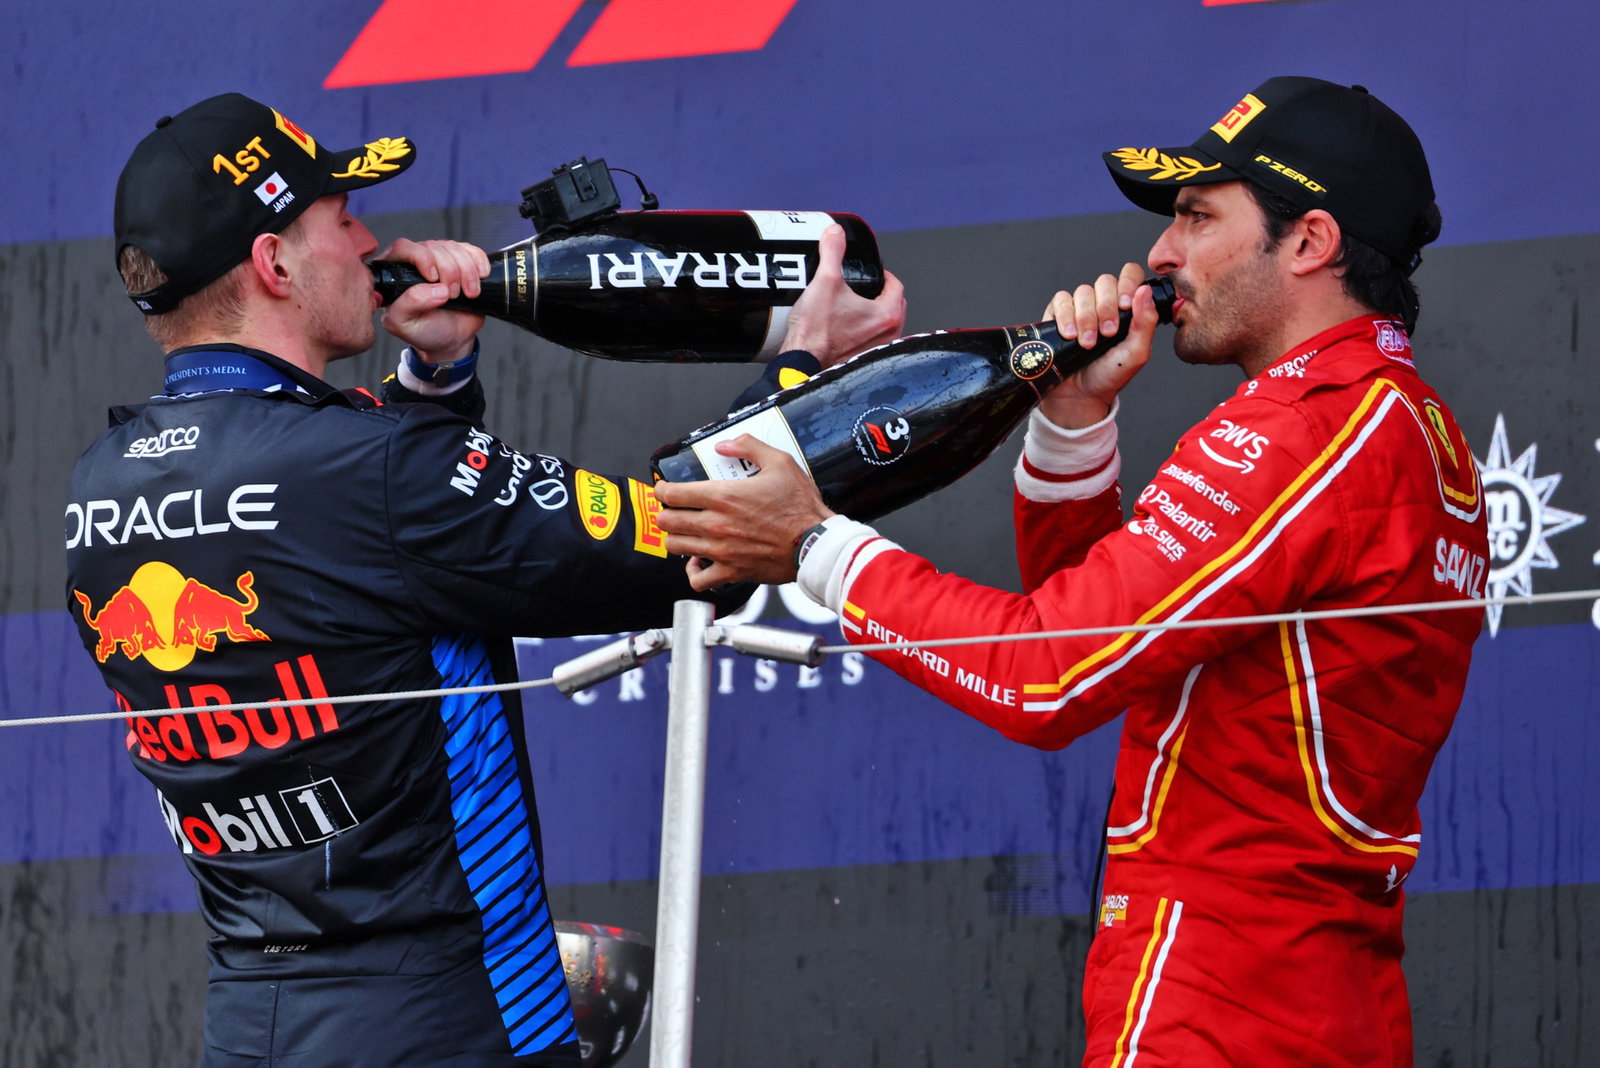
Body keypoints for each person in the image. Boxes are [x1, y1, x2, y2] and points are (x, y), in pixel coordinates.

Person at [654, 76, 1489, 1066]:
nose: (1160, 255)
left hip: (1222, 999)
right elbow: (1111, 635)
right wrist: (1072, 424)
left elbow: (1044, 676)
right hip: (1317, 991)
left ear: (1308, 242)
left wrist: (811, 544)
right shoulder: (1402, 420)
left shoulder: (1302, 431)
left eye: (1195, 217)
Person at [65, 93, 902, 1067]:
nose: (370, 240)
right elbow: (693, 546)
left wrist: (439, 373)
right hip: (449, 1022)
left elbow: (362, 544)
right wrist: (805, 363)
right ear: (274, 264)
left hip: (250, 1019)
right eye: (344, 218)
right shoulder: (372, 472)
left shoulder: (103, 480)